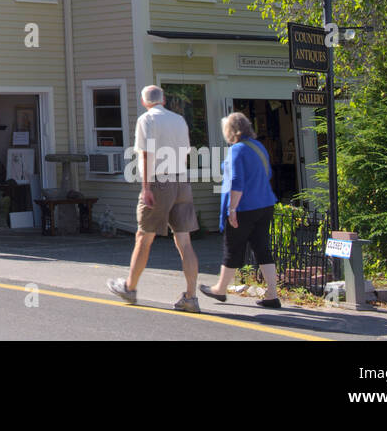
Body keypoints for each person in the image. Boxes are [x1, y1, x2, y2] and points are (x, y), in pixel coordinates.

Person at [107, 85, 200, 312]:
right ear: (164, 100)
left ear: (143, 101)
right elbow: (186, 151)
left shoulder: (146, 120)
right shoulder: (179, 120)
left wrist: (146, 186)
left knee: (144, 236)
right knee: (184, 240)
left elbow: (147, 153)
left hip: (159, 180)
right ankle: (191, 296)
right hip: (181, 179)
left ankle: (130, 287)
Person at [199, 111, 281, 308]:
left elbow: (236, 181)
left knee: (232, 247)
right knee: (262, 248)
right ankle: (272, 293)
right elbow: (268, 172)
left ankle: (219, 289)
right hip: (265, 203)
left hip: (244, 207)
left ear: (231, 130)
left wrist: (232, 209)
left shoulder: (237, 150)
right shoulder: (259, 147)